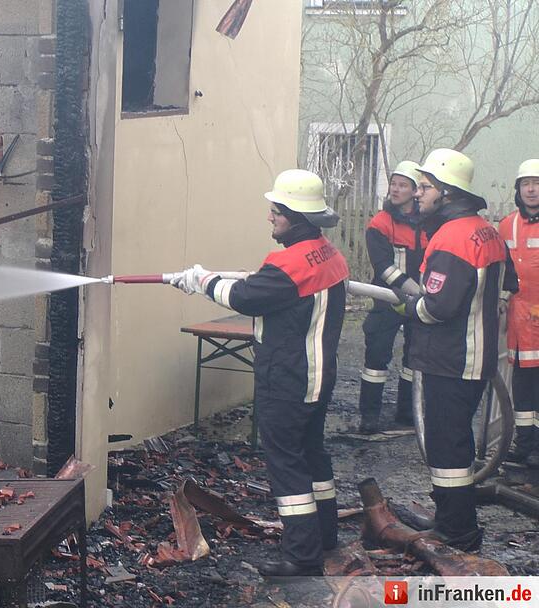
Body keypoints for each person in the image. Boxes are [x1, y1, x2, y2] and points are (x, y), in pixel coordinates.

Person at [173, 169, 347, 578]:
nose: (270, 218)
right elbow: (271, 290)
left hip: (286, 380)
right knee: (312, 455)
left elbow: (244, 297)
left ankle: (303, 557)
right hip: (318, 379)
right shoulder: (329, 254)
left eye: (276, 212)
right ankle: (326, 535)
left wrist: (200, 280)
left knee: (286, 464)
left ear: (297, 217)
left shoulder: (288, 265)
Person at [396, 149, 510, 551]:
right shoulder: (485, 230)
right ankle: (449, 518)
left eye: (425, 188)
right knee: (455, 442)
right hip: (474, 358)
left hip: (448, 359)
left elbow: (438, 307)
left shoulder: (452, 237)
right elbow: (506, 284)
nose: (418, 195)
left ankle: (458, 532)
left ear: (446, 192)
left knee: (446, 447)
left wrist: (408, 306)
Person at [358, 161, 426, 433]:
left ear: (414, 191)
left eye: (403, 185)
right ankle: (369, 416)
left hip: (419, 301)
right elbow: (383, 266)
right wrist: (416, 291)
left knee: (414, 357)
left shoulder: (429, 221)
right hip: (387, 298)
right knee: (376, 356)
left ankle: (407, 413)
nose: (396, 189)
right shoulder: (381, 222)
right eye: (393, 184)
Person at [498, 159, 539, 468]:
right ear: (518, 189)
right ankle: (524, 444)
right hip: (517, 316)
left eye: (537, 183)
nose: (532, 189)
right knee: (522, 382)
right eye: (526, 183)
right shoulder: (506, 225)